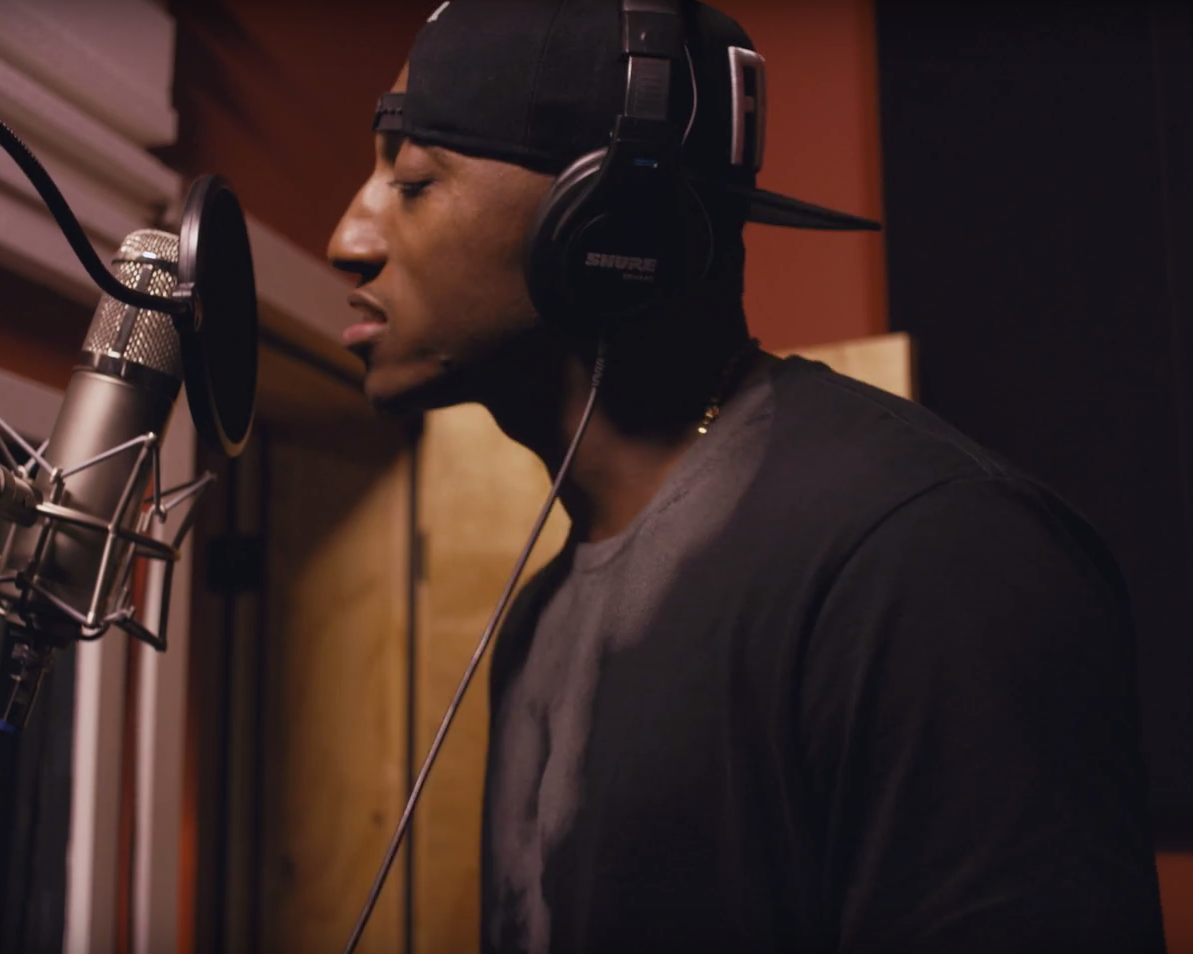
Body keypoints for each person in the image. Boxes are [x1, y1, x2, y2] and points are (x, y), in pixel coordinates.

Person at [327, 1, 1168, 951]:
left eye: (410, 181)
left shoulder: (930, 560)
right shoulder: (539, 612)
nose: (346, 238)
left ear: (609, 227)